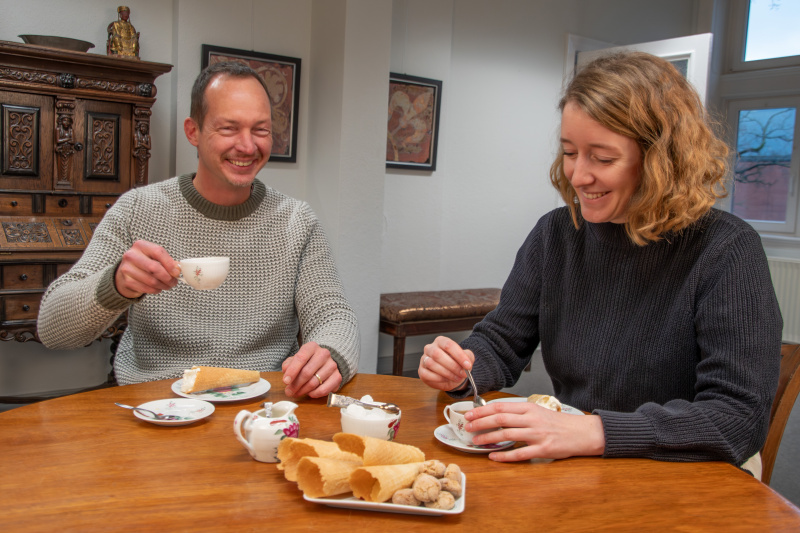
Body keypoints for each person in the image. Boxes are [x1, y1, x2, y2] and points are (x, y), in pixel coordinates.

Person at [418, 51, 782, 477]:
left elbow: (737, 419)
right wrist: (462, 368)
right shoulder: (556, 234)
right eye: (570, 152)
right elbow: (502, 342)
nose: (577, 176)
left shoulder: (726, 249)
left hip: (693, 471)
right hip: (584, 459)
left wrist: (595, 431)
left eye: (603, 158)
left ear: (661, 160)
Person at [38, 61, 360, 398]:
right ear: (193, 131)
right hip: (158, 404)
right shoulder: (137, 209)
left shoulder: (296, 221)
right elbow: (52, 329)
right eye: (229, 128)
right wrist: (115, 285)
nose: (247, 146)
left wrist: (330, 354)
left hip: (261, 404)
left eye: (260, 130)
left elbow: (333, 313)